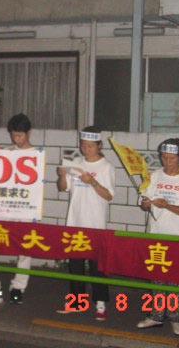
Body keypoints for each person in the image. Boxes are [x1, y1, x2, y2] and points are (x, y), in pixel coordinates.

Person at [136, 138, 179, 336]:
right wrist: (146, 204)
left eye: (172, 158)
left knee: (176, 279)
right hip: (156, 234)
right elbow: (144, 203)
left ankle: (176, 318)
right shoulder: (154, 176)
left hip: (178, 237)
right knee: (157, 278)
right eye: (164, 157)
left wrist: (167, 205)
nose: (168, 161)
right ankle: (156, 315)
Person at [0, 113, 39, 304]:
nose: (16, 139)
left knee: (25, 250)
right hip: (4, 208)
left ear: (28, 133)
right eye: (13, 135)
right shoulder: (8, 153)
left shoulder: (36, 154)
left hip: (26, 209)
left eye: (20, 135)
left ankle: (18, 287)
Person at [56, 126, 114, 321]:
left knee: (98, 266)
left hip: (96, 224)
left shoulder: (106, 167)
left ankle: (100, 304)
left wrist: (93, 182)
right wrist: (62, 175)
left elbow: (109, 196)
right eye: (83, 145)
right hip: (75, 222)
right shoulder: (76, 164)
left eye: (90, 146)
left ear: (99, 146)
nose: (86, 149)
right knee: (75, 265)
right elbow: (63, 187)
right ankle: (77, 302)